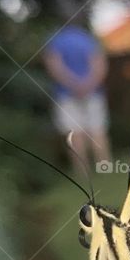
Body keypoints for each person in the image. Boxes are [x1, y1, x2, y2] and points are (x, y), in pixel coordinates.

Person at [43, 23, 111, 171]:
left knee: (74, 133)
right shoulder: (87, 38)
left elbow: (54, 66)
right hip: (93, 91)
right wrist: (89, 84)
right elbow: (99, 64)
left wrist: (73, 84)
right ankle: (104, 166)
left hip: (65, 94)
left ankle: (82, 171)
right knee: (97, 129)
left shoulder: (55, 41)